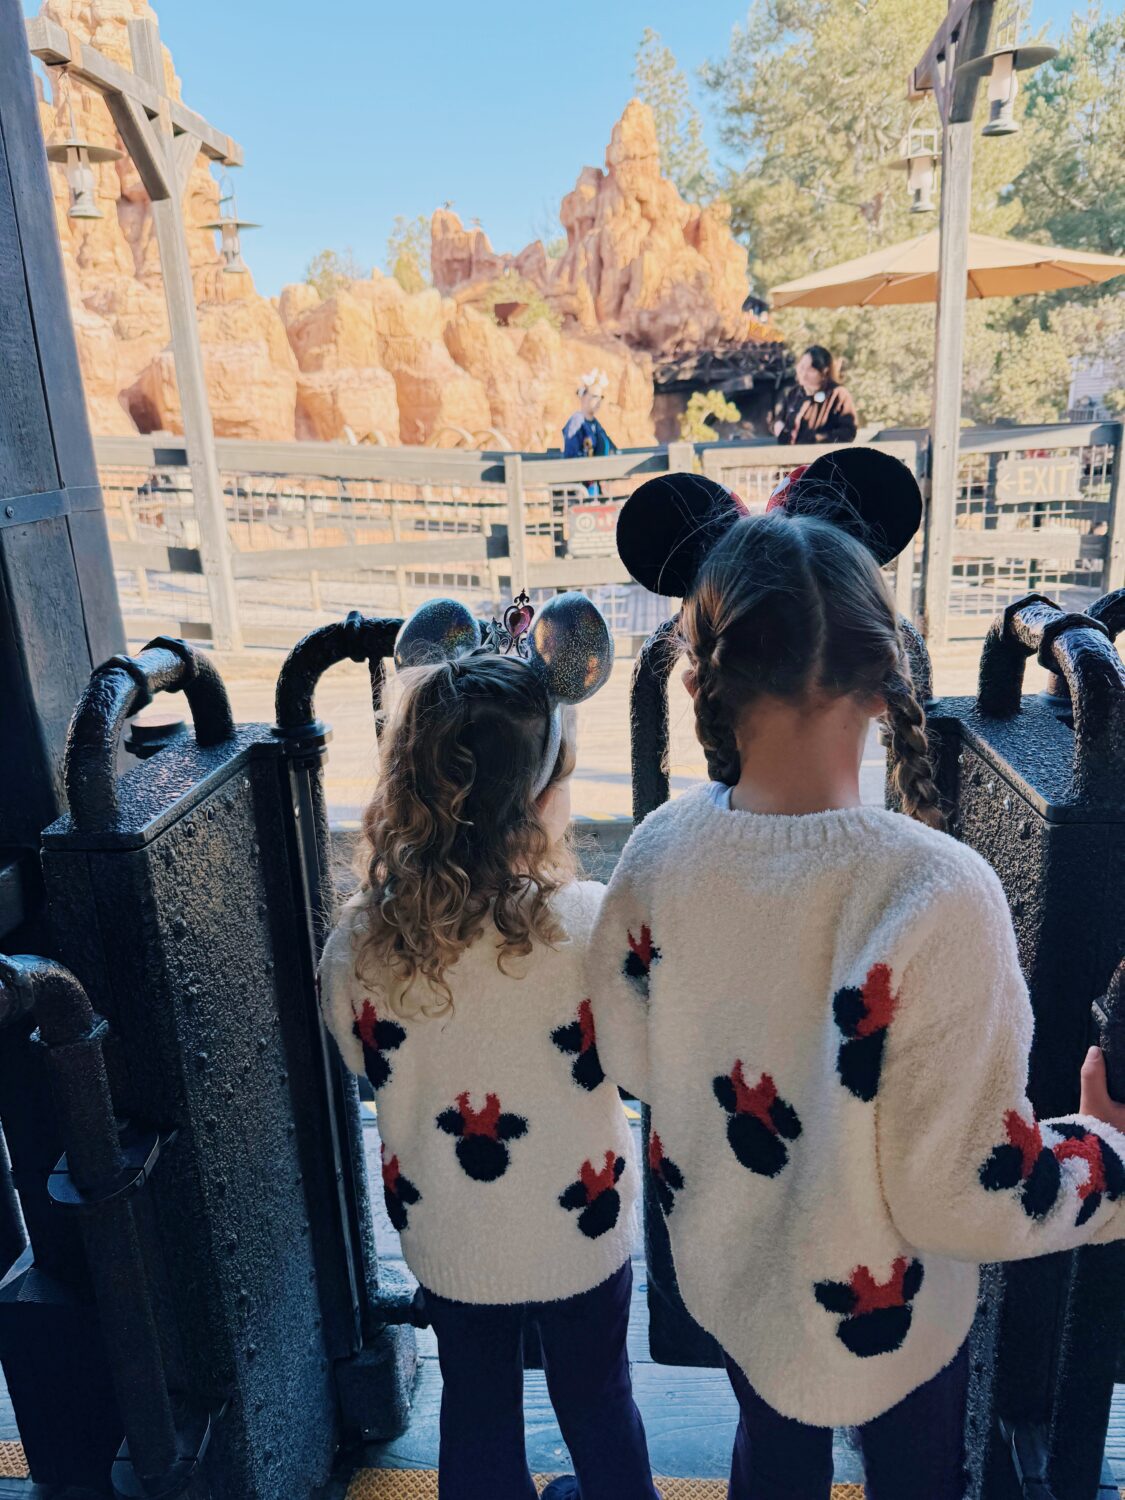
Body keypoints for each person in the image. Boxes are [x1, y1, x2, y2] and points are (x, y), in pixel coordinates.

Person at [592, 460, 1125, 1500]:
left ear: (698, 679)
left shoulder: (658, 851)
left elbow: (624, 1047)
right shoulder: (937, 891)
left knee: (771, 1455)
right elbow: (965, 1195)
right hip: (891, 1311)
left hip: (735, 1273)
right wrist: (1106, 1156)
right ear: (888, 677)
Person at [318, 593, 656, 1500]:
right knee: (598, 1398)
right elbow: (633, 1059)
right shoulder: (585, 925)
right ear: (544, 794)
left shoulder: (360, 937)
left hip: (448, 1230)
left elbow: (360, 1063)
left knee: (474, 1404)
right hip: (578, 1227)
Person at [774, 345, 858, 446]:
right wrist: (778, 425)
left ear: (824, 371)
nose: (803, 374)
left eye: (811, 370)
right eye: (801, 367)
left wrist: (818, 439)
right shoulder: (794, 393)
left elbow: (848, 432)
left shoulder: (838, 394)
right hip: (790, 458)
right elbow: (780, 419)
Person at [563, 369, 617, 459]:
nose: (599, 401)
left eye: (601, 397)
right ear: (583, 397)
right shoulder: (577, 423)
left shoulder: (595, 424)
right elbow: (572, 457)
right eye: (595, 396)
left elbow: (610, 448)